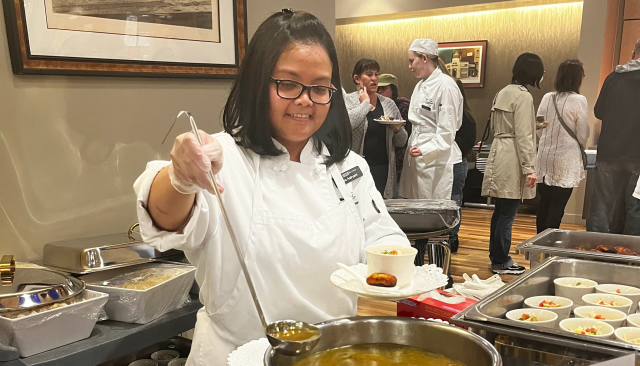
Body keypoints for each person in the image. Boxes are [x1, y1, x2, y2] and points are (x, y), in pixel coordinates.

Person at [133, 11, 409, 366]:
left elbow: (382, 235)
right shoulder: (222, 158)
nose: (306, 100)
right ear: (257, 83)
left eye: (320, 87)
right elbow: (165, 218)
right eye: (289, 84)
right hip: (232, 356)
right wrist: (180, 177)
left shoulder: (348, 166)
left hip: (331, 355)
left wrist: (399, 263)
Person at [482, 52, 543, 275]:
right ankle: (502, 260)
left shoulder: (502, 92)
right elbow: (525, 134)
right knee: (508, 212)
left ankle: (496, 256)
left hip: (499, 152)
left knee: (500, 211)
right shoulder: (524, 96)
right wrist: (530, 168)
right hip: (513, 156)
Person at [398, 39, 463, 200]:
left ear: (425, 58)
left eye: (412, 61)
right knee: (418, 208)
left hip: (439, 160)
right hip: (418, 157)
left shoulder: (446, 86)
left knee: (438, 214)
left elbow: (448, 131)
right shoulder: (420, 86)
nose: (410, 66)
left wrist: (425, 149)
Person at [587, 37, 640, 234]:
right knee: (635, 207)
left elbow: (599, 111)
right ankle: (631, 256)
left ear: (633, 54)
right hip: (638, 154)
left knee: (602, 205)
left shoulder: (613, 78)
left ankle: (595, 252)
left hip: (609, 151)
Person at [535, 59, 589, 233]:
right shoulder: (579, 100)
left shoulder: (547, 97)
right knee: (558, 205)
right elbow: (582, 134)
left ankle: (538, 243)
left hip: (544, 158)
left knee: (544, 202)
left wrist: (548, 140)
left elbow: (538, 126)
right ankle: (549, 245)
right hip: (565, 159)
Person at [345, 59, 408, 198]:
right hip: (356, 167)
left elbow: (402, 142)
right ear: (357, 79)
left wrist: (397, 129)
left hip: (383, 168)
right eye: (369, 74)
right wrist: (365, 105)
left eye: (376, 74)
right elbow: (346, 126)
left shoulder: (388, 104)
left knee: (381, 207)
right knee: (357, 204)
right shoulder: (348, 101)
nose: (374, 78)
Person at [449, 79, 477, 253]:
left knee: (454, 200)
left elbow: (466, 144)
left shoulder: (466, 118)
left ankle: (452, 237)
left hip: (456, 164)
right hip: (446, 163)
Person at [377, 74, 412, 184]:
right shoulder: (376, 106)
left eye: (383, 89)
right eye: (378, 89)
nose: (380, 92)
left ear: (393, 89)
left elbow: (407, 138)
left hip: (399, 160)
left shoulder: (403, 106)